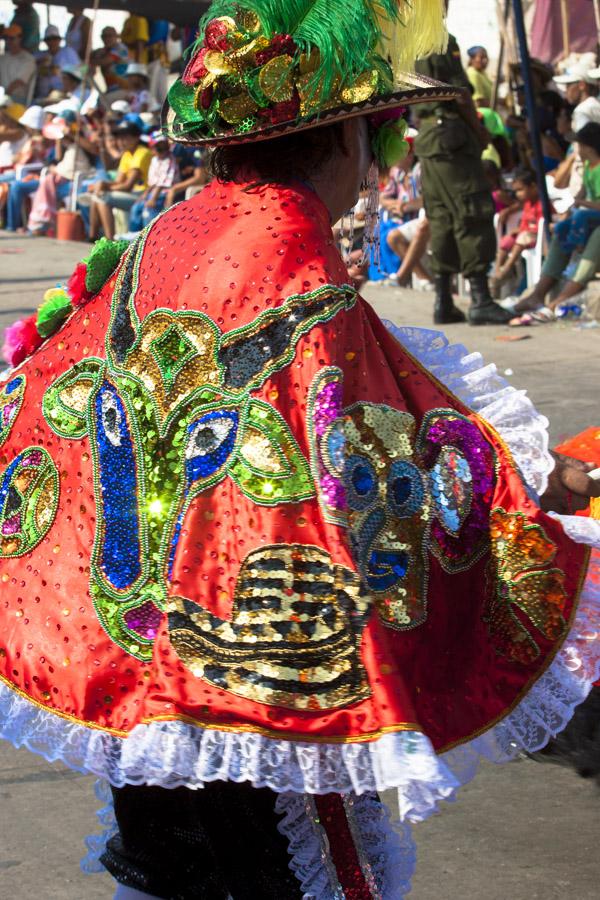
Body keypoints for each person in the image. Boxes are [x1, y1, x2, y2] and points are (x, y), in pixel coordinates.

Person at [1, 2, 600, 897]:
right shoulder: (288, 253)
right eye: (382, 128)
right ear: (353, 133)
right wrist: (538, 486)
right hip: (254, 675)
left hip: (132, 652)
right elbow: (374, 439)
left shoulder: (180, 229)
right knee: (289, 870)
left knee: (166, 867)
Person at [414, 3, 511, 325]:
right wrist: (479, 129)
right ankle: (480, 299)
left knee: (441, 214)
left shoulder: (410, 43)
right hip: (452, 134)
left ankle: (443, 300)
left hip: (428, 136)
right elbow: (458, 93)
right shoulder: (440, 39)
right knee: (472, 210)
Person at [516, 122, 600, 313]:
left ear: (589, 146)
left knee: (596, 235)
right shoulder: (587, 166)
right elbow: (566, 187)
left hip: (594, 217)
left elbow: (586, 202)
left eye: (579, 145)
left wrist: (581, 205)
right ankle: (538, 295)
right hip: (591, 216)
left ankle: (559, 301)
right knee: (562, 230)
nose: (576, 149)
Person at [79, 119, 151, 240]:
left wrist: (104, 186)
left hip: (142, 196)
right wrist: (101, 185)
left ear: (136, 138)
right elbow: (119, 182)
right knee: (98, 195)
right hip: (132, 194)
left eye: (125, 137)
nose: (121, 141)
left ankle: (109, 240)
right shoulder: (127, 154)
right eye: (119, 138)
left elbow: (128, 185)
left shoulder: (142, 153)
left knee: (102, 197)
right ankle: (93, 236)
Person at [27, 111, 95, 235]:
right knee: (45, 185)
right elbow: (58, 159)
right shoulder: (66, 144)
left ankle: (43, 224)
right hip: (62, 179)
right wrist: (59, 137)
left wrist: (71, 133)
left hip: (77, 181)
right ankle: (41, 225)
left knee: (49, 189)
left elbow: (92, 150)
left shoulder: (81, 141)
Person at [493, 168, 545, 286]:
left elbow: (541, 225)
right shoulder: (527, 204)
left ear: (533, 186)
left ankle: (506, 269)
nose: (517, 194)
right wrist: (520, 229)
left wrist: (524, 230)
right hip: (526, 235)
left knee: (522, 238)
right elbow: (524, 223)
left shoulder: (542, 204)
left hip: (538, 237)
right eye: (516, 191)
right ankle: (497, 272)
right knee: (506, 240)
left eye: (520, 190)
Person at [128, 131, 178, 232]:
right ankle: (134, 234)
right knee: (136, 208)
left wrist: (152, 199)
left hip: (165, 192)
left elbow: (163, 183)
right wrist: (144, 195)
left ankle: (149, 235)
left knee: (148, 210)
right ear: (152, 148)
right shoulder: (154, 160)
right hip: (154, 191)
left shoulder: (170, 159)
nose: (162, 150)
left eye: (164, 147)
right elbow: (153, 182)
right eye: (158, 147)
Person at [35, 24, 80, 100]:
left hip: (65, 95)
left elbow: (79, 72)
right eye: (49, 39)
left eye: (54, 39)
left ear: (59, 40)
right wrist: (41, 64)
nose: (52, 42)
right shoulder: (40, 55)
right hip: (43, 97)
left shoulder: (68, 52)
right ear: (45, 41)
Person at [555, 62, 600, 133]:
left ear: (582, 85)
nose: (565, 91)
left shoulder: (582, 110)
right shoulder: (594, 104)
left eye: (568, 85)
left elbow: (584, 142)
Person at [0, 24, 36, 106]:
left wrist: (4, 95)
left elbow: (18, 82)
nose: (8, 41)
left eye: (12, 38)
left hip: (17, 100)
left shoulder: (28, 59)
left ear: (20, 38)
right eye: (6, 38)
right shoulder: (3, 58)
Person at [90, 26, 129, 92]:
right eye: (104, 36)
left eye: (110, 36)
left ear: (116, 36)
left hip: (122, 88)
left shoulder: (120, 48)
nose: (107, 39)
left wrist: (93, 60)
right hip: (111, 89)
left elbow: (105, 61)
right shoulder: (103, 50)